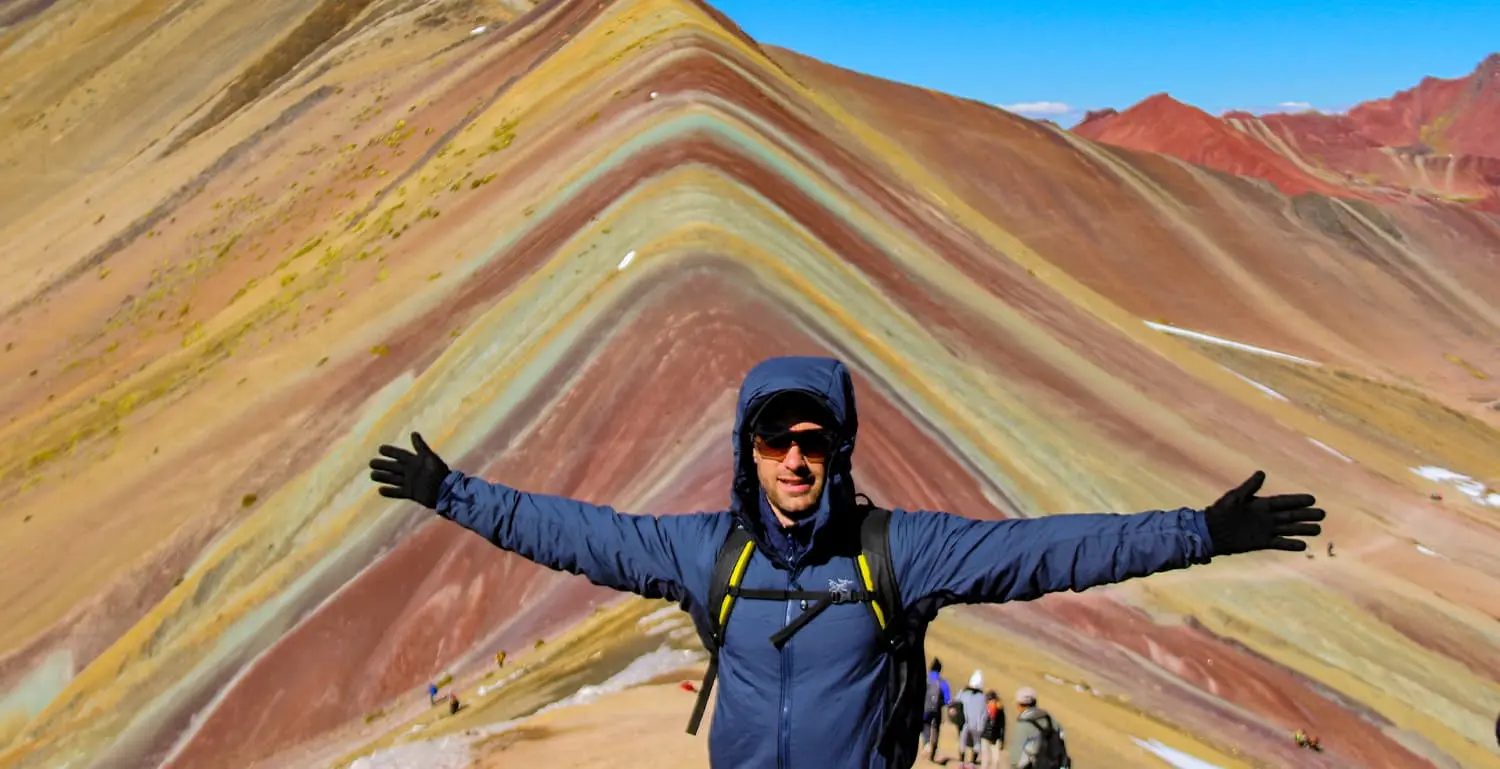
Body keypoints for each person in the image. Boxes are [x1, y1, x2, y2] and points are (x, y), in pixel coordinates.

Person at [368, 355, 1326, 769]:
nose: (794, 457)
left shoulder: (898, 551)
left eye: (811, 440)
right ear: (745, 450)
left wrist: (1198, 531)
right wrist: (453, 492)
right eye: (773, 440)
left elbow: (1047, 551)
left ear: (838, 449)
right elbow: (577, 533)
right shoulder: (707, 552)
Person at [1009, 687, 1068, 769]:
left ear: (1019, 705)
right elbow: (1061, 735)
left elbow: (1016, 752)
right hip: (1053, 764)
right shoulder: (1048, 716)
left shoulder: (1023, 723)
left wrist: (1013, 765)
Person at [920, 658, 953, 763]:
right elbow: (948, 699)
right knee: (935, 729)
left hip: (925, 708)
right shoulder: (942, 681)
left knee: (925, 727)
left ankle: (926, 745)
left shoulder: (926, 678)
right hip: (936, 710)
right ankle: (932, 752)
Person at [955, 671, 988, 768]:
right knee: (977, 743)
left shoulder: (963, 693)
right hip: (977, 724)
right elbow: (985, 713)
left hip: (965, 722)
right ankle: (972, 763)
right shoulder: (982, 697)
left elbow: (955, 703)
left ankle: (961, 761)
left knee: (962, 741)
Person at [981, 690, 1005, 768]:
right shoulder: (985, 709)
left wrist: (1002, 740)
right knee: (988, 760)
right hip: (988, 737)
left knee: (994, 760)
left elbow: (1002, 726)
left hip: (993, 737)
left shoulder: (999, 711)